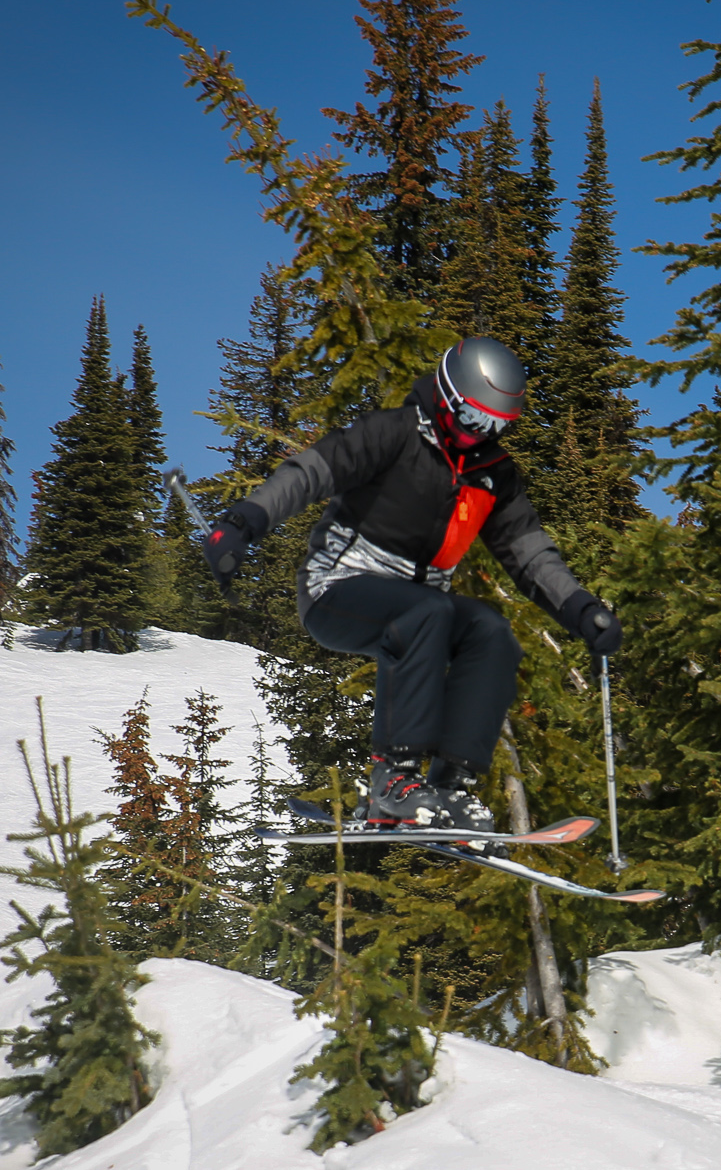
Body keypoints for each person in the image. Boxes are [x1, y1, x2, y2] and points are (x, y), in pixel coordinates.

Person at [199, 336, 622, 832]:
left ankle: (451, 786)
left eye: (496, 425)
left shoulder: (493, 475)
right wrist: (245, 521)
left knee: (490, 632)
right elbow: (310, 472)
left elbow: (529, 554)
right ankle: (392, 780)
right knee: (428, 611)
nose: (479, 434)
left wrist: (579, 608)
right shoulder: (393, 433)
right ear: (447, 398)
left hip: (420, 607)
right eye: (473, 418)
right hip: (338, 589)